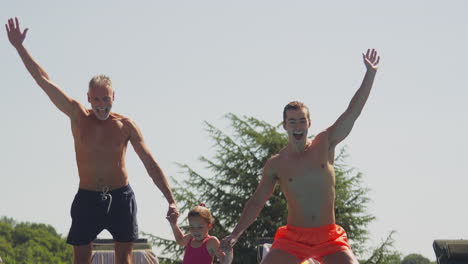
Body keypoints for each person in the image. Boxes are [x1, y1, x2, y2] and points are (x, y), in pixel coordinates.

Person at [5, 17, 179, 264]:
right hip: (87, 196)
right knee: (81, 260)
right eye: (96, 100)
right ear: (88, 98)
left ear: (113, 97)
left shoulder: (125, 125)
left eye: (105, 99)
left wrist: (170, 199)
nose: (101, 106)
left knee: (124, 259)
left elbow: (150, 163)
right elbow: (44, 80)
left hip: (120, 196)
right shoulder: (77, 115)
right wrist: (20, 47)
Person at [221, 49, 380, 264]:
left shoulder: (325, 143)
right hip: (294, 238)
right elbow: (257, 201)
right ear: (285, 125)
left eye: (302, 121)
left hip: (329, 237)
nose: (298, 126)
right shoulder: (276, 164)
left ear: (309, 124)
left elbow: (353, 113)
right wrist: (236, 233)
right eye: (292, 121)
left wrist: (370, 75)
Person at [167, 204, 233, 264]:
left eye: (200, 227)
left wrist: (229, 253)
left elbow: (224, 261)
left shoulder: (211, 241)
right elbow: (180, 241)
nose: (195, 231)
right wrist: (174, 224)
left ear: (209, 226)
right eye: (192, 227)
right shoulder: (190, 238)